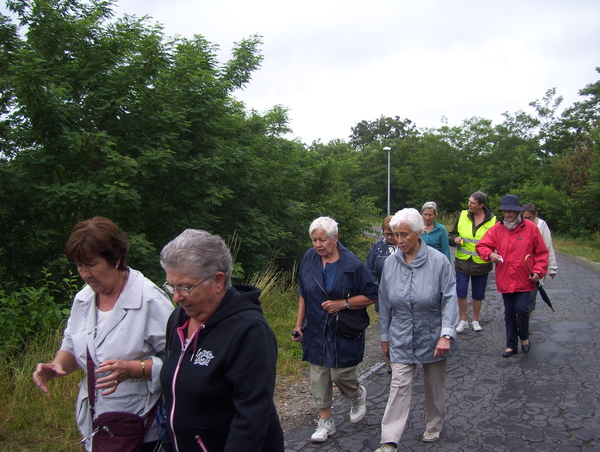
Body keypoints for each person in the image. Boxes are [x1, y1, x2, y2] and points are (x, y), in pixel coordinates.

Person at [32, 217, 174, 452]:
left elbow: (177, 362)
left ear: (115, 258)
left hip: (139, 428)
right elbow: (72, 345)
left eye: (91, 264)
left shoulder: (149, 299)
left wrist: (132, 369)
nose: (85, 274)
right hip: (97, 425)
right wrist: (56, 366)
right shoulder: (84, 298)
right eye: (79, 266)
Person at [159, 229, 284, 452]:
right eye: (171, 286)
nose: (176, 297)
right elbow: (174, 401)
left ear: (218, 281)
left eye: (185, 287)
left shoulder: (249, 331)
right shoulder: (179, 320)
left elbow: (251, 418)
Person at [374, 208, 459, 452]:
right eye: (395, 235)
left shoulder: (438, 261)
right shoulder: (391, 262)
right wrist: (385, 336)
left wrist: (446, 334)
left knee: (434, 384)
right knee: (399, 385)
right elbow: (385, 302)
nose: (399, 240)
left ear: (418, 233)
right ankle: (389, 439)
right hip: (401, 332)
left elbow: (449, 298)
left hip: (432, 332)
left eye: (404, 235)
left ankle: (433, 424)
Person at [293, 216, 378, 443]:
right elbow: (304, 292)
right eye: (314, 240)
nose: (318, 245)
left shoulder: (351, 264)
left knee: (340, 373)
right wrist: (298, 324)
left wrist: (344, 303)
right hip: (316, 326)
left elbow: (372, 294)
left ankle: (356, 394)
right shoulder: (309, 258)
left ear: (335, 238)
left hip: (343, 327)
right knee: (318, 374)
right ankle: (325, 421)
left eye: (322, 240)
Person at [476, 195, 549, 357]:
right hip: (505, 278)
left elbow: (542, 253)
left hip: (525, 279)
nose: (507, 214)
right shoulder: (497, 229)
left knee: (522, 309)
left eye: (511, 211)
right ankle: (511, 345)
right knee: (509, 313)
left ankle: (523, 336)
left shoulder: (530, 228)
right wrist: (490, 255)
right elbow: (482, 246)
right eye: (505, 211)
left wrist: (538, 271)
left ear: (518, 212)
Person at [448, 191, 496, 333]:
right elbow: (451, 234)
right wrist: (454, 239)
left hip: (481, 262)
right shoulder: (463, 215)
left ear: (481, 205)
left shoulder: (493, 220)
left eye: (473, 203)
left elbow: (495, 241)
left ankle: (475, 320)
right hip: (462, 261)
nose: (469, 204)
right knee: (461, 291)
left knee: (478, 293)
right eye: (469, 201)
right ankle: (463, 320)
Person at [522, 202, 558, 316]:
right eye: (525, 218)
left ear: (535, 215)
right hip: (522, 267)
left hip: (536, 267)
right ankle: (518, 319)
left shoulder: (542, 226)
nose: (527, 220)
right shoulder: (519, 225)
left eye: (530, 218)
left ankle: (525, 323)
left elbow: (548, 246)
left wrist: (552, 268)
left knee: (531, 296)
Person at [365, 215, 398, 311]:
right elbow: (369, 271)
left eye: (392, 234)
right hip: (383, 295)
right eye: (386, 234)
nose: (389, 237)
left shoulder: (405, 246)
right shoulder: (377, 247)